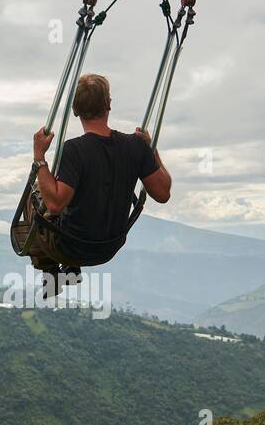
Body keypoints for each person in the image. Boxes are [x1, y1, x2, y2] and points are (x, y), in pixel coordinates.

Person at [23, 73, 172, 295]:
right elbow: (163, 193)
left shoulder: (74, 150)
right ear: (108, 105)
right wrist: (151, 151)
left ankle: (51, 271)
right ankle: (71, 271)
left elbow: (55, 204)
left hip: (70, 247)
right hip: (110, 246)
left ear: (74, 111)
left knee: (34, 194)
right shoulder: (136, 147)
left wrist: (39, 157)